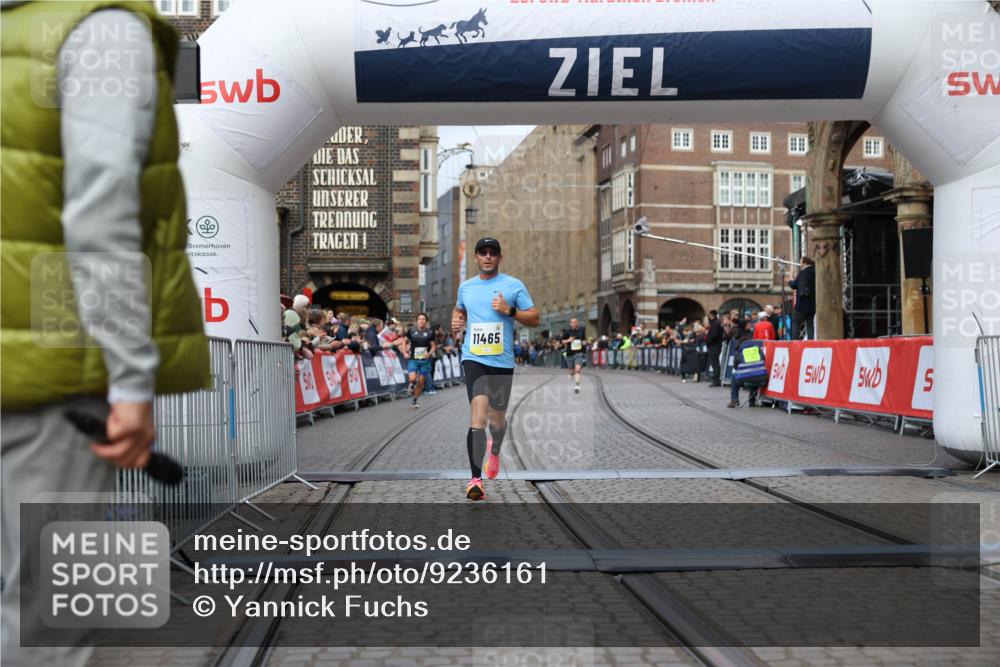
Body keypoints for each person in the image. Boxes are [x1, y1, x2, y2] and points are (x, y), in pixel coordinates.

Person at [1, 3, 211, 664]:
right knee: (49, 616)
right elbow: (100, 207)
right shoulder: (100, 28)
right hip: (54, 367)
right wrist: (130, 377)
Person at [451, 238, 539, 500]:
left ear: (500, 257)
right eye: (483, 253)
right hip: (474, 358)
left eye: (493, 253)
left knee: (496, 421)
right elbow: (459, 310)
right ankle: (475, 480)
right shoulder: (466, 287)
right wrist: (457, 321)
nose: (487, 257)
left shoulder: (513, 286)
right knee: (477, 414)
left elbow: (534, 318)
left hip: (502, 362)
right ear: (476, 257)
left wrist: (508, 310)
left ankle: (496, 449)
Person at [405, 313, 436, 408]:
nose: (421, 321)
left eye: (423, 319)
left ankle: (415, 400)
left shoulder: (430, 333)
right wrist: (405, 351)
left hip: (424, 361)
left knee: (421, 382)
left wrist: (429, 353)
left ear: (426, 322)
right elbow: (404, 340)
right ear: (417, 321)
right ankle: (411, 385)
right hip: (413, 359)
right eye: (419, 319)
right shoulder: (411, 331)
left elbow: (434, 346)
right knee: (413, 378)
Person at [727, 336, 768, 408]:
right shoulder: (758, 349)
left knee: (735, 376)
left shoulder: (739, 351)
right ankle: (752, 401)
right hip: (762, 379)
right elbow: (764, 361)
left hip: (747, 379)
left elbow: (735, 367)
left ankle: (734, 400)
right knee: (754, 373)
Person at [789, 256, 816, 340]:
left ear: (805, 263)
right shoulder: (815, 271)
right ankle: (810, 342)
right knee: (810, 324)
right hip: (812, 304)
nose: (800, 265)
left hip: (802, 304)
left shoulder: (803, 273)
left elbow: (794, 285)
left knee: (795, 322)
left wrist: (790, 279)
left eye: (801, 262)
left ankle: (794, 341)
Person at [561, 317, 587, 394]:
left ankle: (577, 386)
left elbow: (584, 339)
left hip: (579, 353)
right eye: (572, 322)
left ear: (577, 323)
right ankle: (571, 374)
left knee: (578, 369)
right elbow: (561, 341)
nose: (574, 324)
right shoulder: (567, 332)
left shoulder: (581, 331)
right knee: (571, 371)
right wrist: (568, 340)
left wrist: (584, 342)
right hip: (570, 354)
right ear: (570, 324)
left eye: (575, 322)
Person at [705, 310, 724, 387]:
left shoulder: (715, 323)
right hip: (714, 345)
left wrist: (708, 340)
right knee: (714, 363)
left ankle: (716, 380)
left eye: (708, 315)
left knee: (715, 363)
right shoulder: (715, 323)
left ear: (711, 315)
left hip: (715, 345)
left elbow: (714, 335)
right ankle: (716, 380)